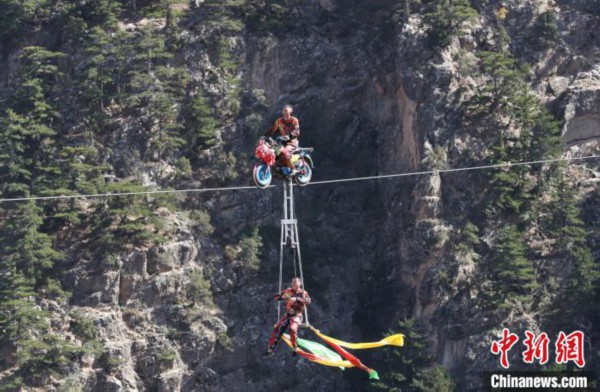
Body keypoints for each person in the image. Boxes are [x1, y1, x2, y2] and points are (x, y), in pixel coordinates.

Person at [265, 277, 311, 356]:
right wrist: (282, 296)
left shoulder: (303, 292)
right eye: (292, 282)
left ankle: (295, 347)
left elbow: (308, 301)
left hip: (297, 315)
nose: (293, 284)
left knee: (292, 329)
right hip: (288, 315)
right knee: (277, 328)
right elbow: (276, 297)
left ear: (300, 284)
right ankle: (270, 349)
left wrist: (296, 298)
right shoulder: (289, 291)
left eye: (295, 282)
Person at [264, 105, 300, 175]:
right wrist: (264, 136)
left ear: (290, 111)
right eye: (283, 110)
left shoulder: (294, 120)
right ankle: (278, 169)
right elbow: (272, 130)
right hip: (282, 142)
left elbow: (297, 131)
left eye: (286, 110)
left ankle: (294, 169)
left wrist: (289, 136)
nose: (285, 111)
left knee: (285, 154)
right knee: (273, 152)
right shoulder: (279, 121)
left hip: (292, 142)